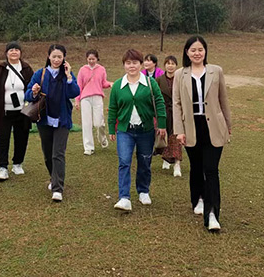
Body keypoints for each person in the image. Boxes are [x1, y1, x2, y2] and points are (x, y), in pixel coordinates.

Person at [172, 36, 231, 231]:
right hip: (191, 126)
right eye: (193, 50)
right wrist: (179, 131)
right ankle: (197, 198)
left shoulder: (216, 71)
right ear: (187, 52)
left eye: (200, 49)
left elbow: (223, 99)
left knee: (211, 169)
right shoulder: (180, 74)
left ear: (205, 51)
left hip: (213, 125)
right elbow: (176, 103)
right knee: (196, 167)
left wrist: (228, 125)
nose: (197, 53)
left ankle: (212, 213)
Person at [108, 49, 167, 212]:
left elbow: (160, 103)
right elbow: (113, 108)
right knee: (124, 162)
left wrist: (162, 124)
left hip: (146, 130)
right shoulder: (118, 85)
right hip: (125, 131)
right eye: (128, 63)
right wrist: (111, 128)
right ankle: (124, 197)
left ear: (141, 64)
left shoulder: (150, 83)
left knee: (145, 161)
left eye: (135, 62)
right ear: (124, 65)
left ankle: (143, 191)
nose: (131, 66)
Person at [26, 44, 79, 202]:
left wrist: (69, 77)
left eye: (59, 57)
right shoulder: (40, 73)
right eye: (54, 56)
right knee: (48, 154)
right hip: (44, 120)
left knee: (58, 154)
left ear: (64, 58)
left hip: (62, 120)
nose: (56, 59)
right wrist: (33, 91)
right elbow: (27, 95)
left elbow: (74, 92)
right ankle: (53, 177)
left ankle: (57, 189)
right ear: (48, 56)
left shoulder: (67, 74)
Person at [0, 41, 34, 181]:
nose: (14, 52)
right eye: (11, 50)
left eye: (16, 50)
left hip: (23, 110)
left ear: (20, 53)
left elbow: (33, 86)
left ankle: (17, 163)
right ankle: (2, 167)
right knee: (1, 138)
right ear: (6, 53)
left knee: (22, 137)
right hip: (3, 111)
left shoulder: (26, 68)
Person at [74, 49, 112, 155]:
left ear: (97, 58)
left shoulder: (101, 69)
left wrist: (110, 84)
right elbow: (79, 86)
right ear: (87, 59)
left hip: (97, 97)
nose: (91, 61)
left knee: (99, 123)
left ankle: (102, 139)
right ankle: (88, 147)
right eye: (89, 59)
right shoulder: (82, 70)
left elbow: (103, 83)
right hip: (85, 98)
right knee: (87, 123)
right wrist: (77, 100)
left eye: (93, 59)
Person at [158, 55, 183, 177]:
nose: (170, 66)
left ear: (176, 66)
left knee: (176, 137)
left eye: (173, 63)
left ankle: (177, 164)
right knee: (164, 135)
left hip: (178, 112)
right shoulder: (158, 80)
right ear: (164, 65)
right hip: (164, 112)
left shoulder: (181, 79)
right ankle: (166, 158)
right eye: (168, 63)